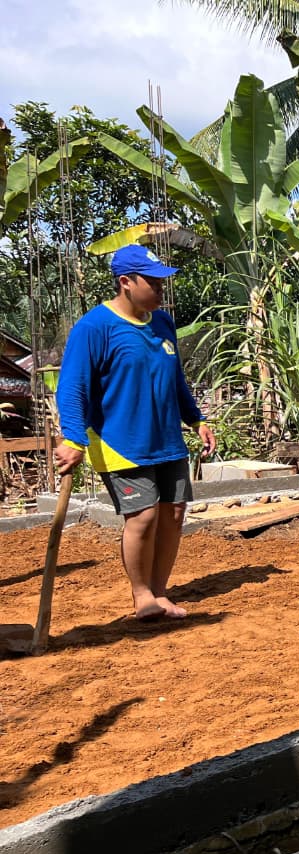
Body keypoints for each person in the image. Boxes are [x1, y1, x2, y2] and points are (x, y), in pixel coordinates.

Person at [53, 244, 215, 620]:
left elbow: (176, 379)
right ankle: (142, 595)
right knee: (142, 516)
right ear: (126, 282)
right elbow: (73, 386)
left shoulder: (162, 323)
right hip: (119, 441)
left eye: (162, 283)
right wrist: (73, 438)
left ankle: (160, 591)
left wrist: (196, 419)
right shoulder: (94, 328)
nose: (160, 290)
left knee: (173, 513)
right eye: (153, 283)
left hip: (166, 438)